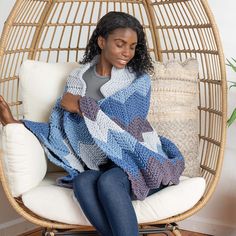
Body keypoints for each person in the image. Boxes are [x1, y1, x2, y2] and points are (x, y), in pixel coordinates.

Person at [0, 11, 184, 236]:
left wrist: (82, 105)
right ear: (101, 41)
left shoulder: (138, 79)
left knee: (108, 182)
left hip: (140, 160)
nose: (127, 52)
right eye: (120, 44)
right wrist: (14, 123)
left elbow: (129, 121)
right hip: (102, 165)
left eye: (133, 46)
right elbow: (62, 129)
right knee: (83, 182)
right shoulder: (77, 79)